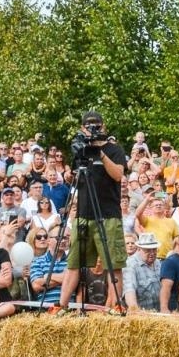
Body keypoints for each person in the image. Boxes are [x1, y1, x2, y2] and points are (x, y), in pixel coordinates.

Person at [53, 111, 126, 314]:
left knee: (113, 264)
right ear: (82, 128)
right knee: (74, 263)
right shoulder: (80, 150)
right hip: (84, 214)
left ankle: (115, 306)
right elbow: (75, 178)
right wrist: (69, 175)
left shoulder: (114, 149)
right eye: (88, 126)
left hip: (108, 214)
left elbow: (118, 175)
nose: (93, 129)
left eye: (96, 125)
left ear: (103, 126)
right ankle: (61, 306)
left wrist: (99, 154)